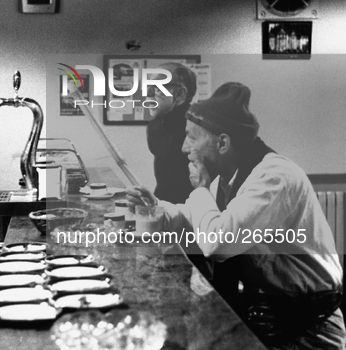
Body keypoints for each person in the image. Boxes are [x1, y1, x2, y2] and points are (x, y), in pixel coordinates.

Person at [127, 83, 344, 349]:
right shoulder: (230, 178)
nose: (184, 148)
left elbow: (218, 242)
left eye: (192, 137)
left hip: (308, 328)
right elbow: (195, 218)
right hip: (271, 314)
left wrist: (202, 190)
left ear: (222, 142)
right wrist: (155, 209)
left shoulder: (274, 178)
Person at [146, 62, 196, 204]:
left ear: (180, 94)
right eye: (148, 87)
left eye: (157, 87)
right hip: (164, 208)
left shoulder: (201, 128)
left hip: (195, 212)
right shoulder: (154, 127)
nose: (148, 94)